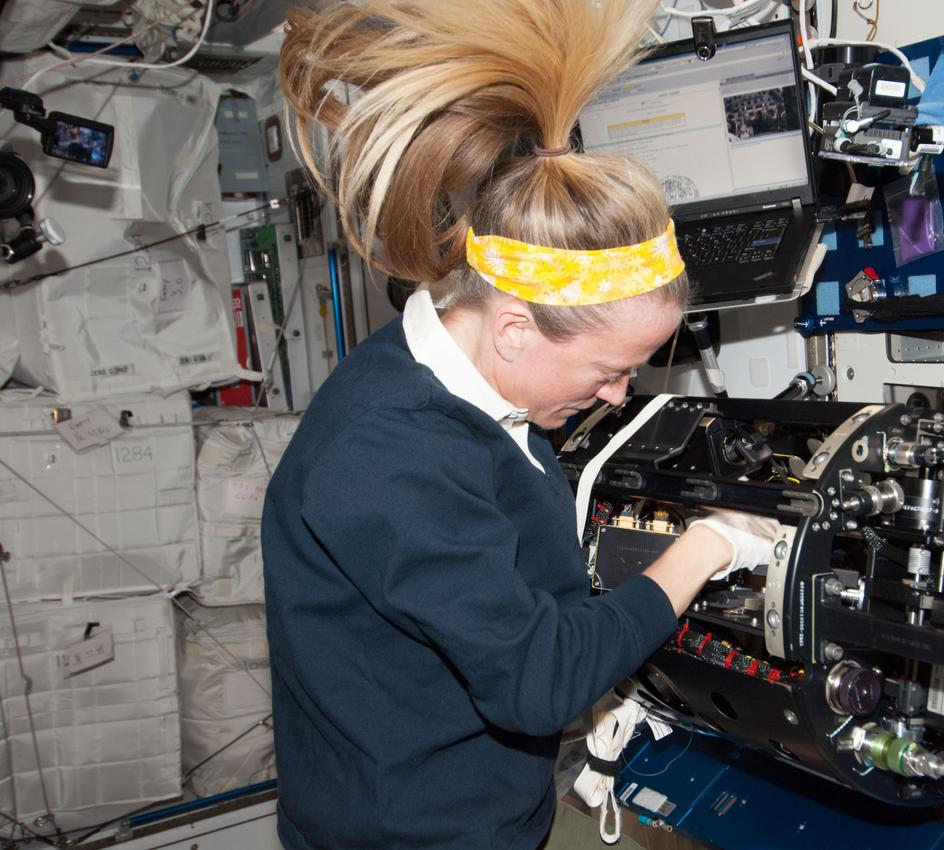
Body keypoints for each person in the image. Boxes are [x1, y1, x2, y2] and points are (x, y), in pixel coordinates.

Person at [262, 1, 780, 848]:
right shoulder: (386, 451)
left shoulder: (452, 383)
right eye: (609, 371)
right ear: (513, 327)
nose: (617, 395)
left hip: (485, 807)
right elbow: (535, 682)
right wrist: (711, 545)